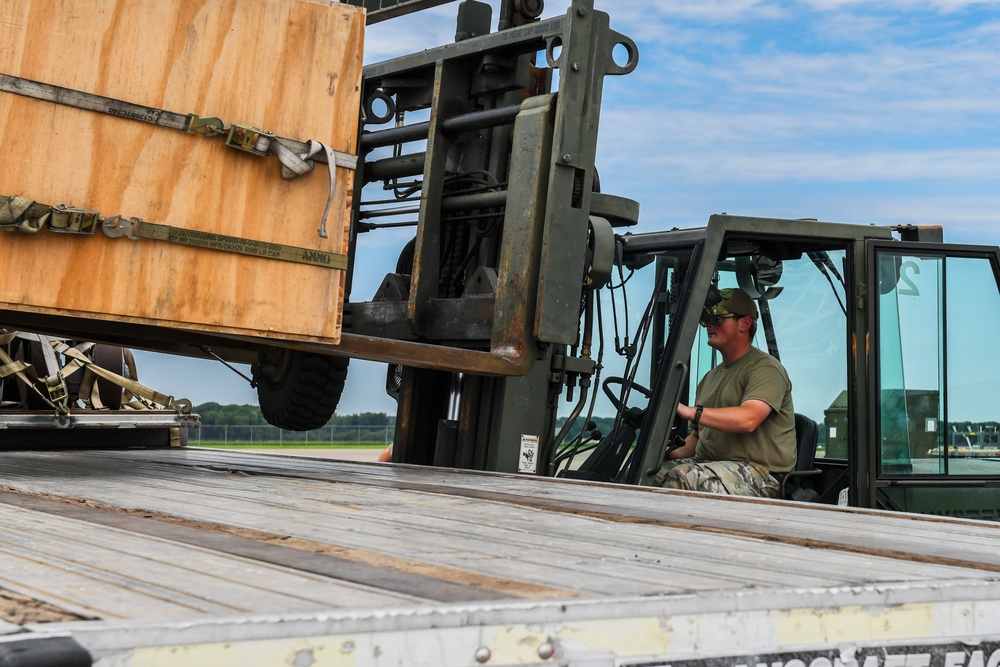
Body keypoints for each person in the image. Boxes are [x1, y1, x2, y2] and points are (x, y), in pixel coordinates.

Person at [655, 287, 796, 498]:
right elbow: (697, 437)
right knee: (645, 474)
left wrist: (691, 411)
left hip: (760, 474)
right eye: (706, 321)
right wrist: (667, 454)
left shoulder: (766, 369)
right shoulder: (709, 378)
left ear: (745, 323)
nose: (709, 325)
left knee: (682, 478)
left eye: (717, 319)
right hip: (710, 466)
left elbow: (748, 419)